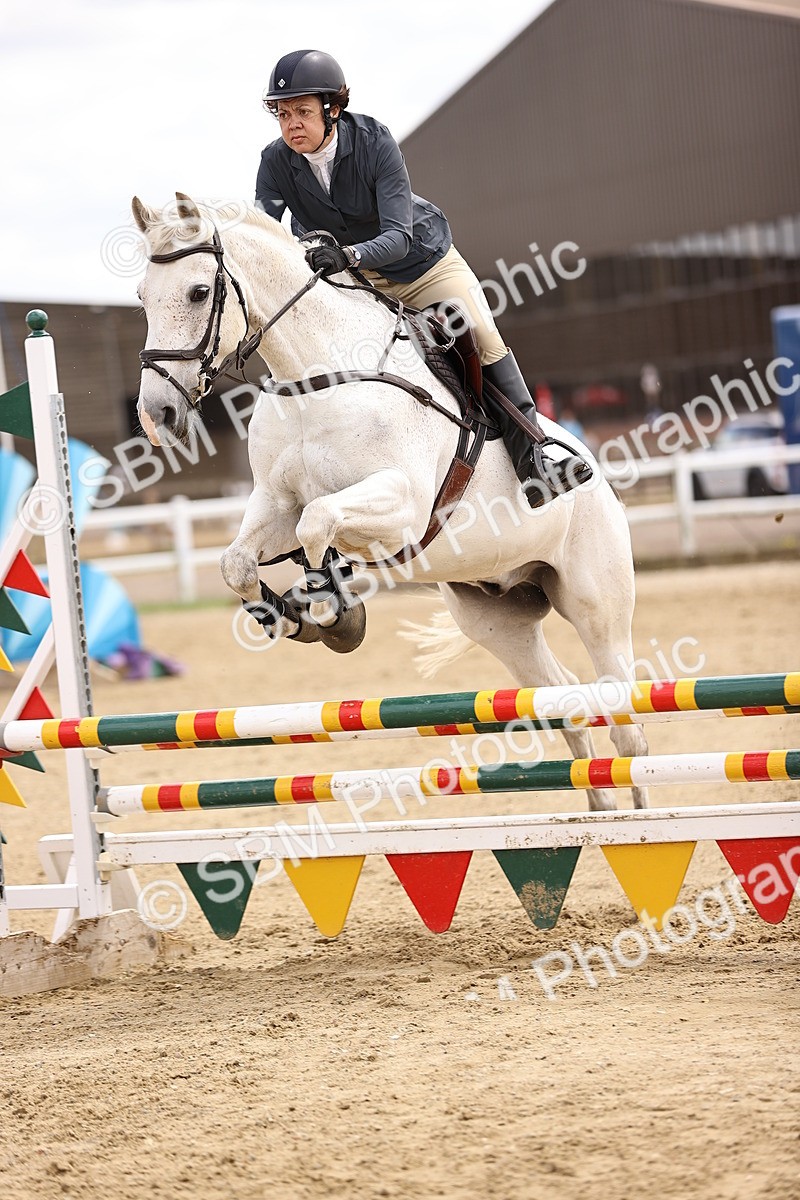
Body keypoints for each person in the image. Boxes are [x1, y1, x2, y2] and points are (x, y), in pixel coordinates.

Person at [255, 49, 592, 507]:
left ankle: (536, 454)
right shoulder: (275, 162)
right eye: (283, 113)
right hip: (357, 281)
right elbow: (268, 235)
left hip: (422, 266)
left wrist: (347, 254)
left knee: (481, 331)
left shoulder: (375, 143)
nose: (291, 123)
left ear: (333, 110)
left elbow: (397, 237)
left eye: (303, 112)